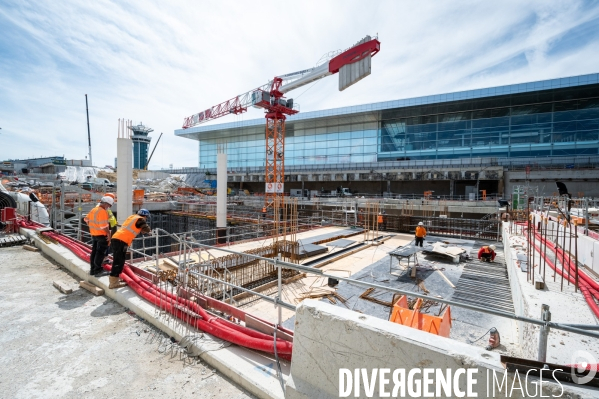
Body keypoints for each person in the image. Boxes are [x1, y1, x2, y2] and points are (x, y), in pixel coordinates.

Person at [108, 209, 151, 289]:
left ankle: (116, 279)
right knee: (118, 261)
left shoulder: (133, 217)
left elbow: (136, 227)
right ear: (145, 216)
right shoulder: (140, 219)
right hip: (121, 240)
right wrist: (150, 231)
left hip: (118, 238)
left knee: (120, 260)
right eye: (147, 217)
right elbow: (146, 229)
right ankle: (113, 283)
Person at [84, 196, 114, 277]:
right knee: (100, 253)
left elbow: (86, 219)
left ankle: (93, 270)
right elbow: (104, 226)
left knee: (94, 252)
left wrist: (92, 226)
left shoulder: (94, 209)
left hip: (94, 234)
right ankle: (98, 271)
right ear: (106, 203)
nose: (109, 207)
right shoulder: (102, 211)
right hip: (101, 235)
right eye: (109, 205)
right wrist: (108, 234)